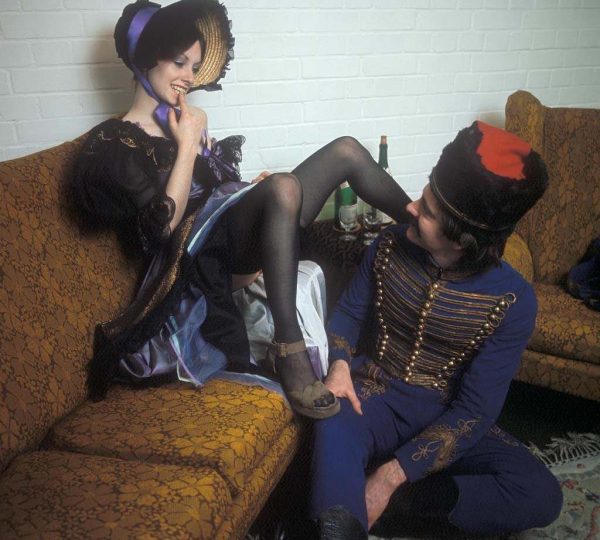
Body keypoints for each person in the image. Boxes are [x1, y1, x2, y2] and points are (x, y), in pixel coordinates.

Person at [71, 0, 411, 420]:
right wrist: (187, 145)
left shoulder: (184, 120)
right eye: (179, 62)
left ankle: (423, 222)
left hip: (226, 243)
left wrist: (250, 193)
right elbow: (163, 229)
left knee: (345, 150)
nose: (189, 78)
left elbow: (215, 197)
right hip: (192, 269)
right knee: (283, 186)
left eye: (195, 66)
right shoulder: (117, 141)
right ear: (145, 59)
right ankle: (289, 349)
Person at [309, 121, 563, 538]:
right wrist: (338, 366)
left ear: (461, 239)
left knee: (541, 494)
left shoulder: (513, 300)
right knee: (331, 413)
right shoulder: (387, 244)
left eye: (426, 210)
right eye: (424, 196)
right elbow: (348, 315)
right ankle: (342, 518)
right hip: (371, 397)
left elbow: (475, 410)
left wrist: (391, 477)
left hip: (446, 416)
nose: (410, 207)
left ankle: (390, 501)